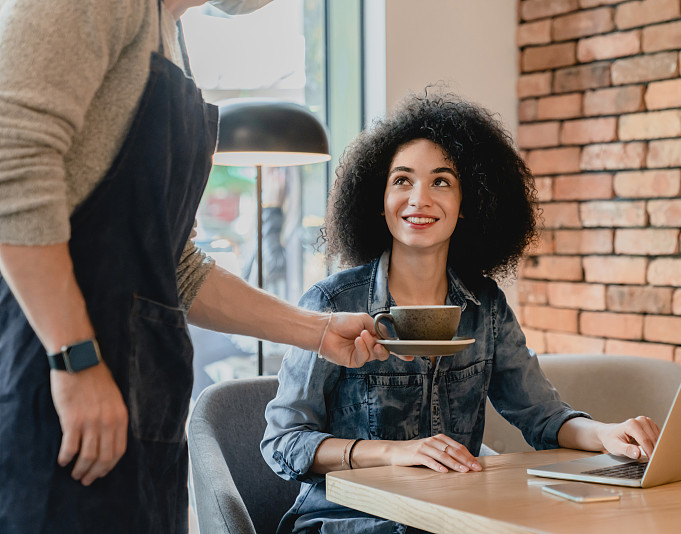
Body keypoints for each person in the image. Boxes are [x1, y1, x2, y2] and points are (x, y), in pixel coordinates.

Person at [0, 1, 390, 533]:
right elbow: (10, 160)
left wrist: (318, 331)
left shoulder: (172, 38)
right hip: (58, 388)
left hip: (147, 399)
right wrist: (76, 361)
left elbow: (176, 267)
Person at [261, 91, 661, 533]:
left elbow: (542, 416)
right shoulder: (334, 303)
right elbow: (284, 442)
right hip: (347, 521)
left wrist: (606, 433)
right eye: (402, 180)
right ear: (379, 198)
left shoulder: (485, 306)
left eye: (441, 181)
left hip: (449, 521)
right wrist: (395, 452)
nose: (419, 199)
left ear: (468, 203)